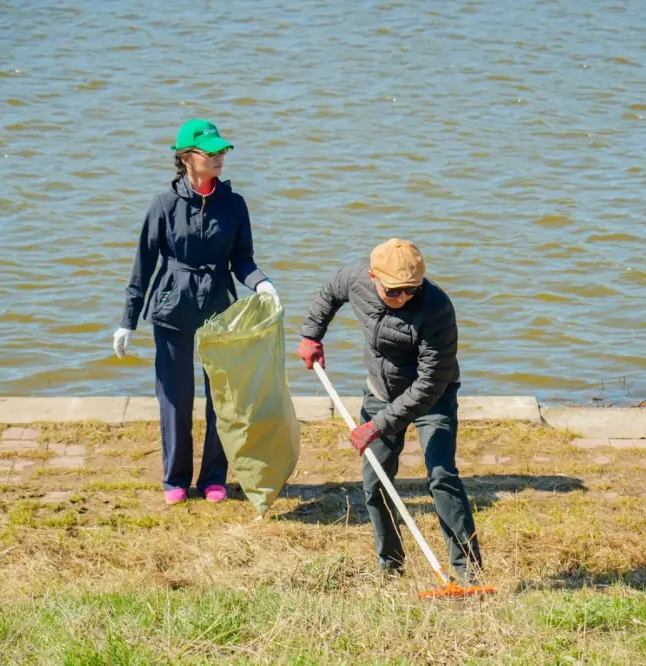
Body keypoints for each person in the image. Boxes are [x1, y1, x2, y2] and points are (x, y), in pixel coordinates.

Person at [113, 119, 279, 505]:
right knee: (175, 397)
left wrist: (262, 284)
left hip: (219, 309)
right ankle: (175, 477)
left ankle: (214, 476)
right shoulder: (163, 205)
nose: (220, 158)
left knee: (221, 397)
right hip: (171, 307)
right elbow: (143, 265)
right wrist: (127, 320)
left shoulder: (235, 205)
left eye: (223, 152)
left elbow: (242, 260)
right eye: (211, 153)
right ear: (186, 158)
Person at [296, 238, 482, 581]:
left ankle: (468, 570)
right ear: (372, 277)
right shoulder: (356, 280)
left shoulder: (437, 308)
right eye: (395, 291)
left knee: (442, 475)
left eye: (411, 290)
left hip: (433, 398)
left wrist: (377, 425)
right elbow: (329, 292)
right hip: (380, 392)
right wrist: (312, 335)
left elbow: (430, 383)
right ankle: (391, 567)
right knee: (375, 483)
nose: (404, 298)